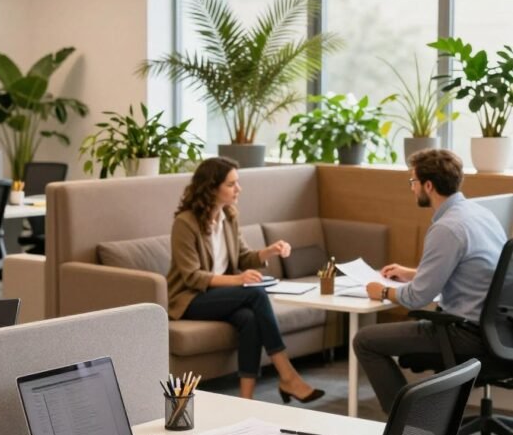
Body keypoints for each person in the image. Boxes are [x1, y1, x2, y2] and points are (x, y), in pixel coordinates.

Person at [354, 148, 507, 414]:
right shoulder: (480, 214)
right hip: (500, 330)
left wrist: (382, 292)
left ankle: (405, 423)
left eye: (412, 182)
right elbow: (474, 270)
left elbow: (417, 298)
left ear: (428, 185)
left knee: (364, 340)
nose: (412, 189)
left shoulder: (447, 227)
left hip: (464, 332)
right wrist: (413, 273)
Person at [167, 157, 324, 402]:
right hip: (189, 299)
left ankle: (246, 399)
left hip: (217, 296)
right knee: (256, 293)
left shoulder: (228, 217)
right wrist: (239, 280)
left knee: (249, 319)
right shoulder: (185, 223)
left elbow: (242, 256)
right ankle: (287, 374)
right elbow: (191, 276)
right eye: (231, 184)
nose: (238, 189)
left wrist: (269, 251)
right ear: (211, 187)